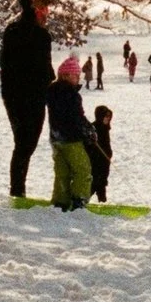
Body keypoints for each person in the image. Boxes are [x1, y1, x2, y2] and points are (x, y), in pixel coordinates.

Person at [0, 0, 54, 197]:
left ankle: (18, 188)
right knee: (27, 142)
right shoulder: (40, 35)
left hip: (13, 94)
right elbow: (44, 68)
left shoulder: (12, 30)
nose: (46, 17)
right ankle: (17, 189)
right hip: (32, 95)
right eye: (44, 13)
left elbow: (5, 62)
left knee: (22, 142)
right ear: (37, 12)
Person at [47, 56, 92, 210]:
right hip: (71, 139)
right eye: (75, 75)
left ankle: (61, 200)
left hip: (56, 138)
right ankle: (79, 200)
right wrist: (87, 130)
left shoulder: (52, 92)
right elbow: (76, 117)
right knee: (82, 169)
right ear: (65, 75)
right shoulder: (71, 95)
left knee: (62, 171)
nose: (78, 78)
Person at [88, 105, 115, 202]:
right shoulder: (93, 129)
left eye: (109, 116)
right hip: (95, 163)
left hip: (104, 163)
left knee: (101, 184)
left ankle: (102, 202)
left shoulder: (106, 128)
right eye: (106, 116)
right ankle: (80, 203)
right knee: (94, 184)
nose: (108, 118)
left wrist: (109, 154)